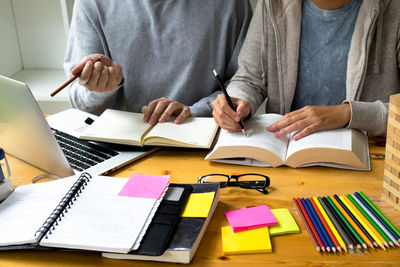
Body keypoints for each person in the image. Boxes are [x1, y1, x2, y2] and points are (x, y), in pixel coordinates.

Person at [211, 0, 400, 140]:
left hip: (371, 157)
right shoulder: (273, 4)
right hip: (290, 152)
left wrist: (346, 114)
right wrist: (236, 102)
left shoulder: (394, 9)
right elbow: (249, 79)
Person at [65, 0, 252, 125]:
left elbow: (243, 85)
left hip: (201, 137)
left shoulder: (231, 4)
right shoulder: (91, 4)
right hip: (121, 144)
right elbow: (80, 105)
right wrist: (100, 89)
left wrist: (192, 112)